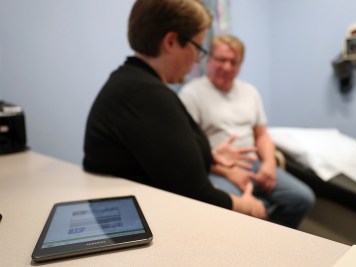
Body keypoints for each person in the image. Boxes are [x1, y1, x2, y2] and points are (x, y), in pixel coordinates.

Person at [83, 0, 267, 220]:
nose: (195, 60)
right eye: (198, 48)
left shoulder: (132, 82)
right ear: (171, 42)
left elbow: (166, 157)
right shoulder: (146, 95)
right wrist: (247, 207)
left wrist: (209, 155)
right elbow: (196, 193)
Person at [179, 34, 315, 228]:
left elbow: (261, 134)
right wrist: (227, 171)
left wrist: (268, 164)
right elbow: (188, 151)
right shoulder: (191, 94)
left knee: (303, 198)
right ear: (209, 59)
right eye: (221, 59)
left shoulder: (250, 92)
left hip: (255, 165)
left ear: (240, 65)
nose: (226, 67)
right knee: (241, 213)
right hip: (216, 169)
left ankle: (274, 239)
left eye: (233, 62)